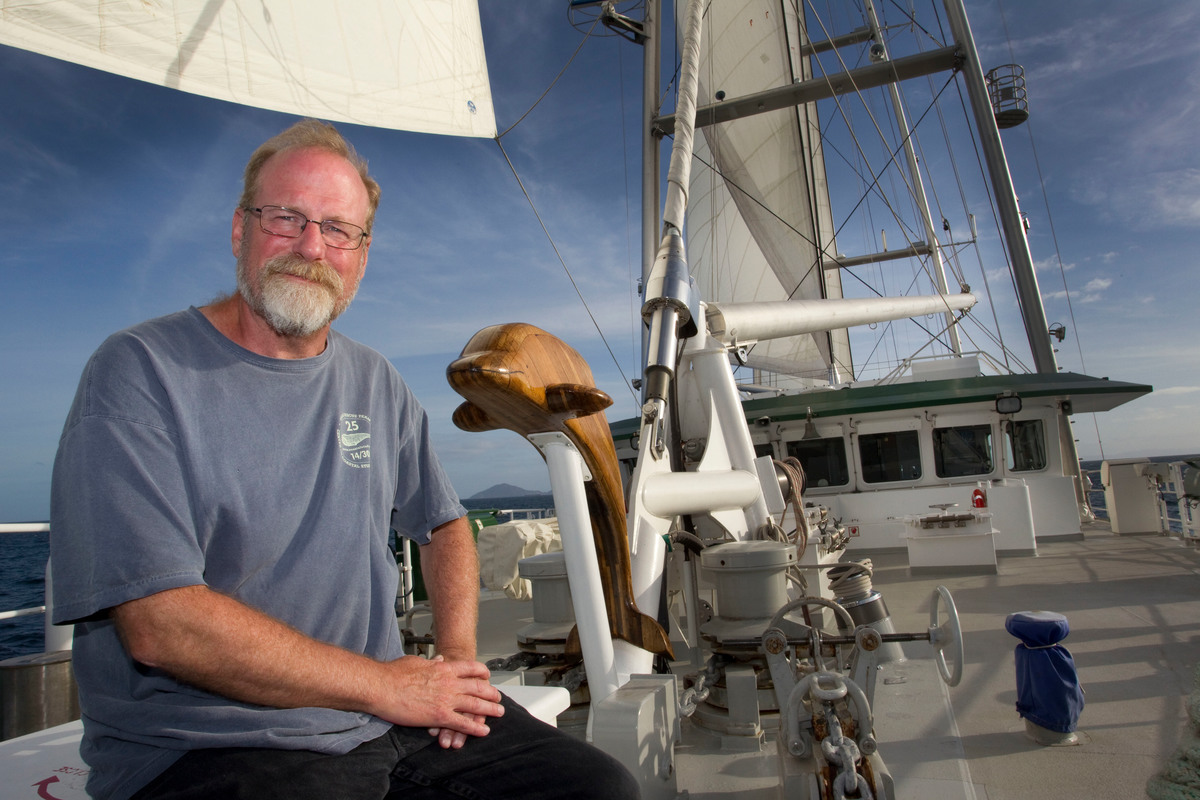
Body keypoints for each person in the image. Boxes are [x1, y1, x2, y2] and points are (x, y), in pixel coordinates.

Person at [49, 119, 641, 800]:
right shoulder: (138, 372)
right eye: (285, 218)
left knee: (600, 789)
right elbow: (161, 624)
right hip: (212, 743)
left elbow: (445, 526)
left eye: (338, 229)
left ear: (362, 255)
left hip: (387, 719)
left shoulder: (375, 380)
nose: (310, 247)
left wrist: (454, 664)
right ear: (240, 231)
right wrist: (390, 685)